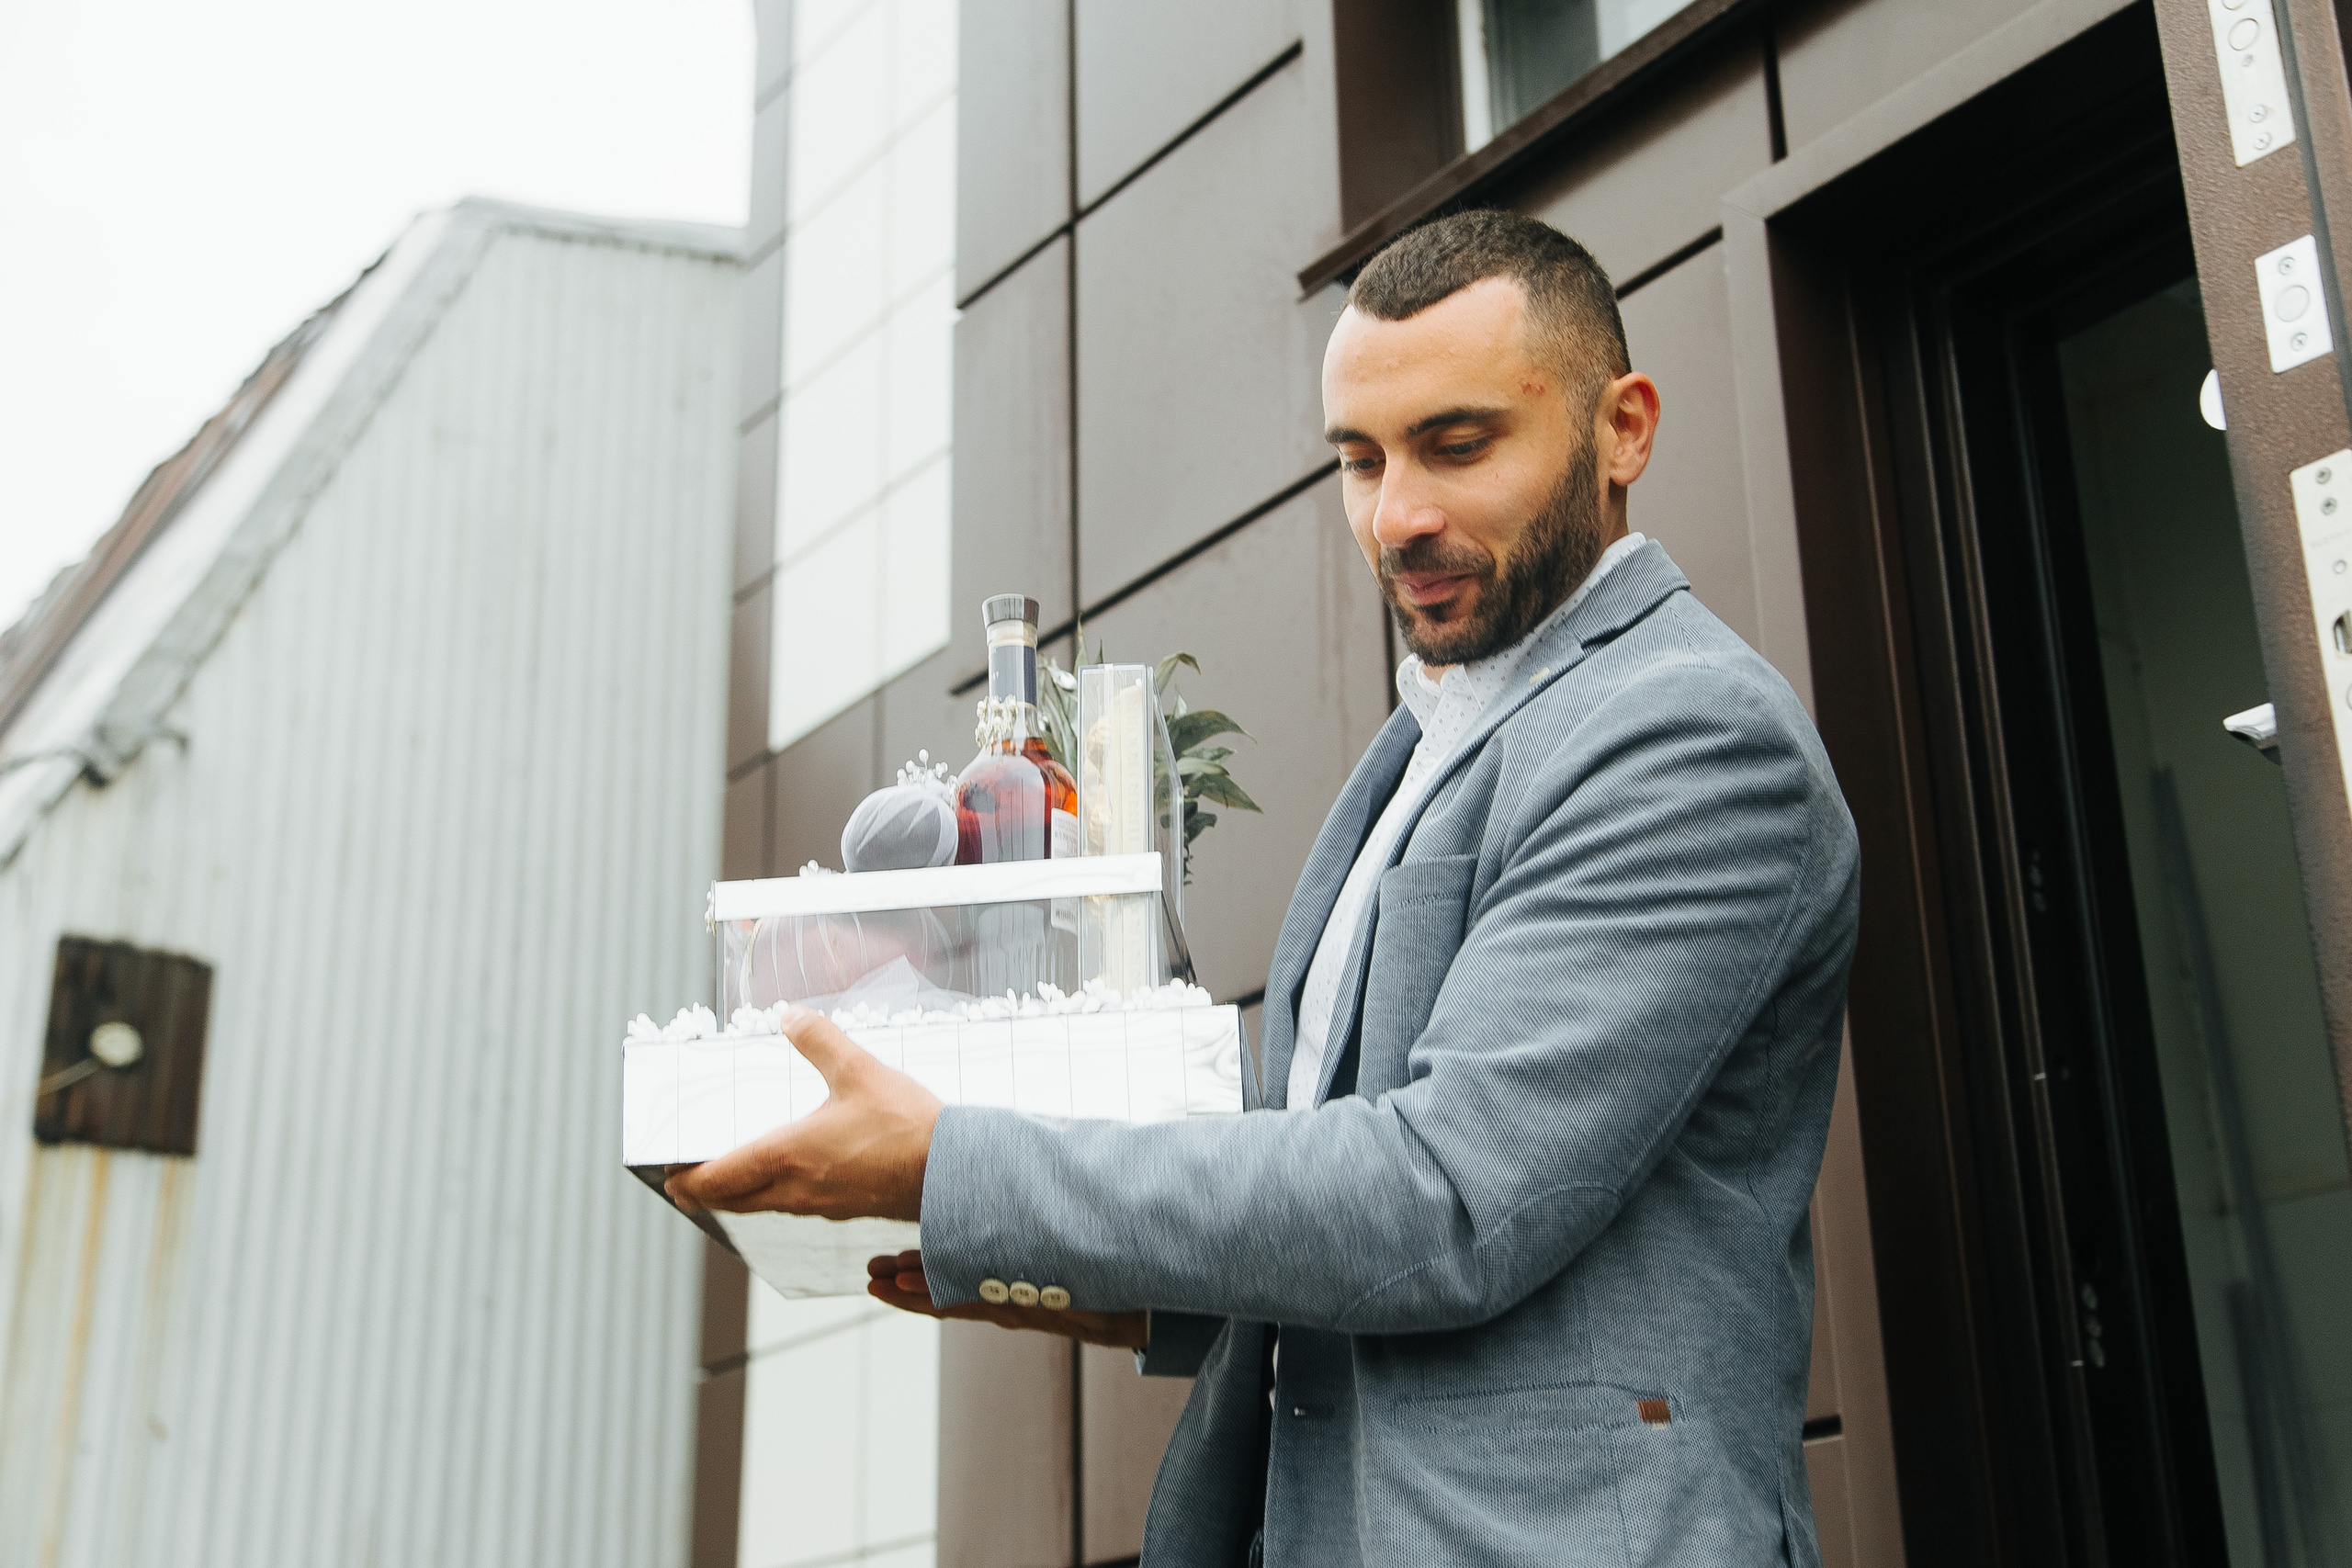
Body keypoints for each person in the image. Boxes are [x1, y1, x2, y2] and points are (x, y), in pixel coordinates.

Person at [668, 209, 1861, 1566]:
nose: (1397, 514)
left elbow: (1445, 1202)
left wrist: (957, 1161)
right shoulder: (1425, 745)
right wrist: (1077, 1275)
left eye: (1458, 445)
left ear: (1624, 428)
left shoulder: (1690, 732)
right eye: (1360, 460)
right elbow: (1337, 1202)